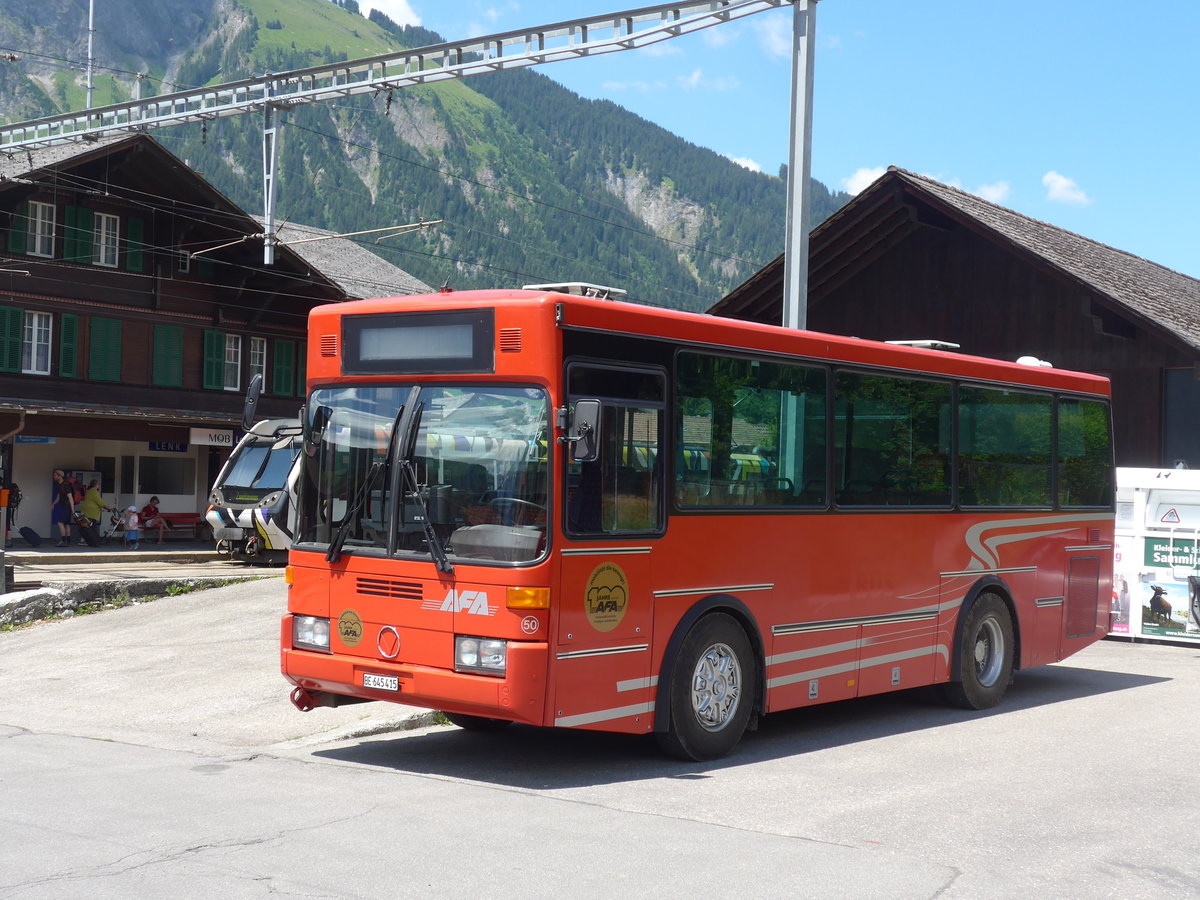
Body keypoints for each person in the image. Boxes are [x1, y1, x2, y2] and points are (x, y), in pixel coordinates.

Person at [78, 479, 113, 548]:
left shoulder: (89, 491)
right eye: (98, 484)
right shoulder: (94, 491)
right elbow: (100, 502)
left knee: (86, 527)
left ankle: (85, 540)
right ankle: (91, 542)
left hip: (86, 512)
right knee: (91, 528)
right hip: (91, 513)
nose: (99, 486)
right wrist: (109, 507)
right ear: (96, 485)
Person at [50, 469, 74, 547]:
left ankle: (63, 541)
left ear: (60, 476)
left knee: (60, 523)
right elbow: (59, 496)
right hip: (65, 506)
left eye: (55, 475)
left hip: (66, 507)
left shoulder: (65, 485)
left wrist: (73, 510)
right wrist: (53, 503)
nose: (54, 477)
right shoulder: (60, 485)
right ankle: (68, 541)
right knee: (66, 524)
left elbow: (70, 497)